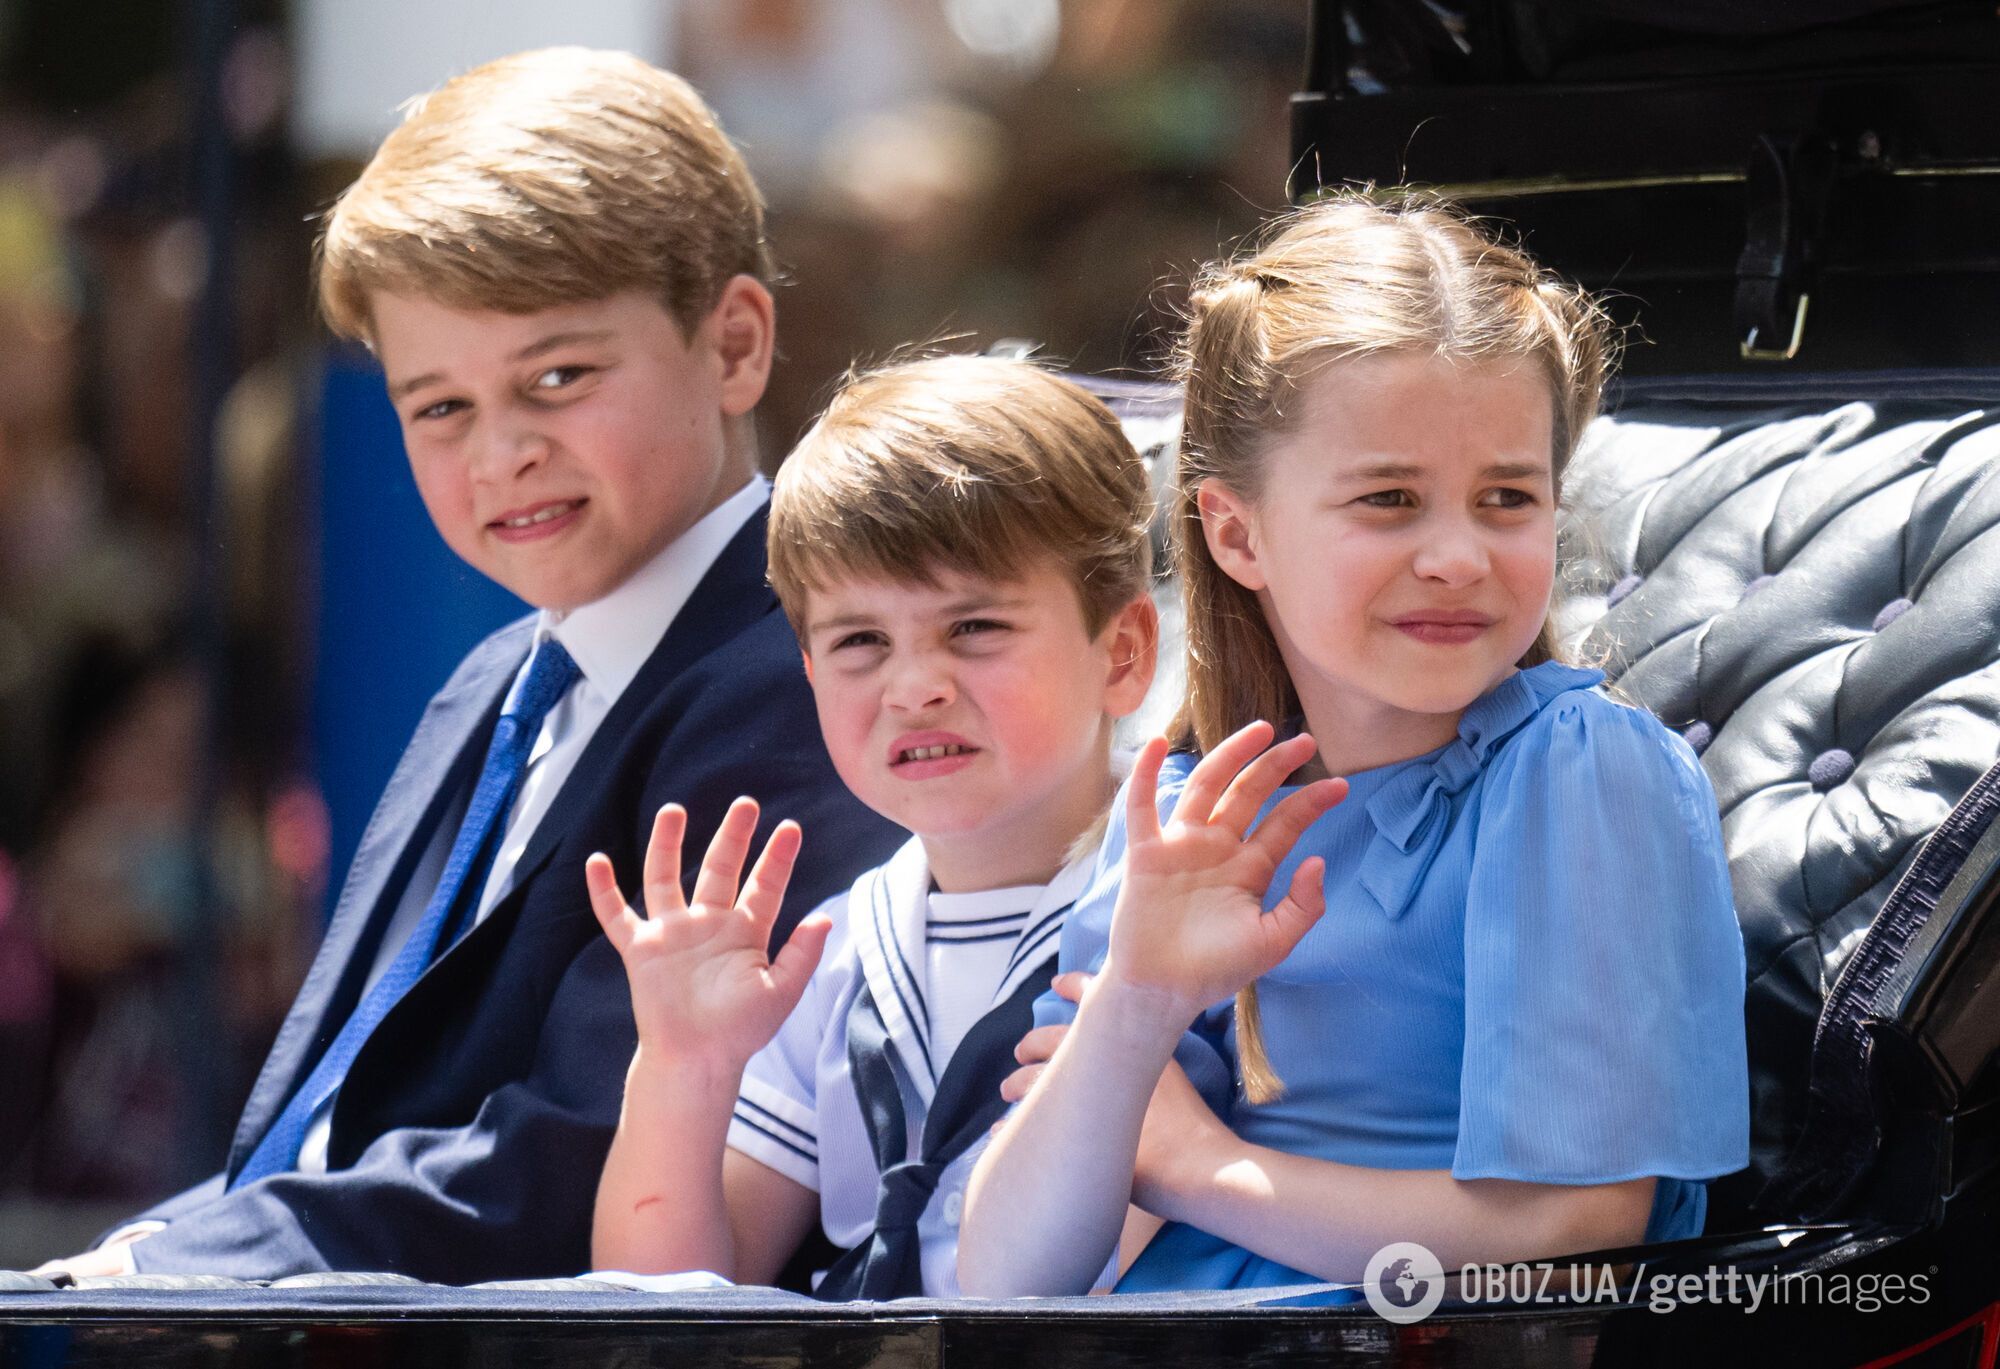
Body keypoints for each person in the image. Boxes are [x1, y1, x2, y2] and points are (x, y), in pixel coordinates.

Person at [34, 47, 901, 1283]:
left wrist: (177, 1270)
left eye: (557, 377)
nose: (500, 455)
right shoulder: (493, 685)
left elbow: (581, 1144)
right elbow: (337, 1126)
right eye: (439, 407)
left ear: (734, 346)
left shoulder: (808, 680)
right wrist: (161, 1254)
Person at [958, 193, 1750, 1296]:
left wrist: (1199, 1165)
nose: (1456, 555)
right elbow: (1001, 1277)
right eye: (1389, 499)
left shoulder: (1572, 773)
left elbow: (1575, 1232)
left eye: (1505, 498)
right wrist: (1136, 999)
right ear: (1236, 532)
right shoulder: (1194, 808)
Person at [587, 355, 1159, 1298]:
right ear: (809, 673)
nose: (914, 685)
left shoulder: (1187, 911)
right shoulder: (831, 953)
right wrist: (682, 1066)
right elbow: (670, 1296)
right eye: (860, 641)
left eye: (974, 627)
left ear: (1124, 652)